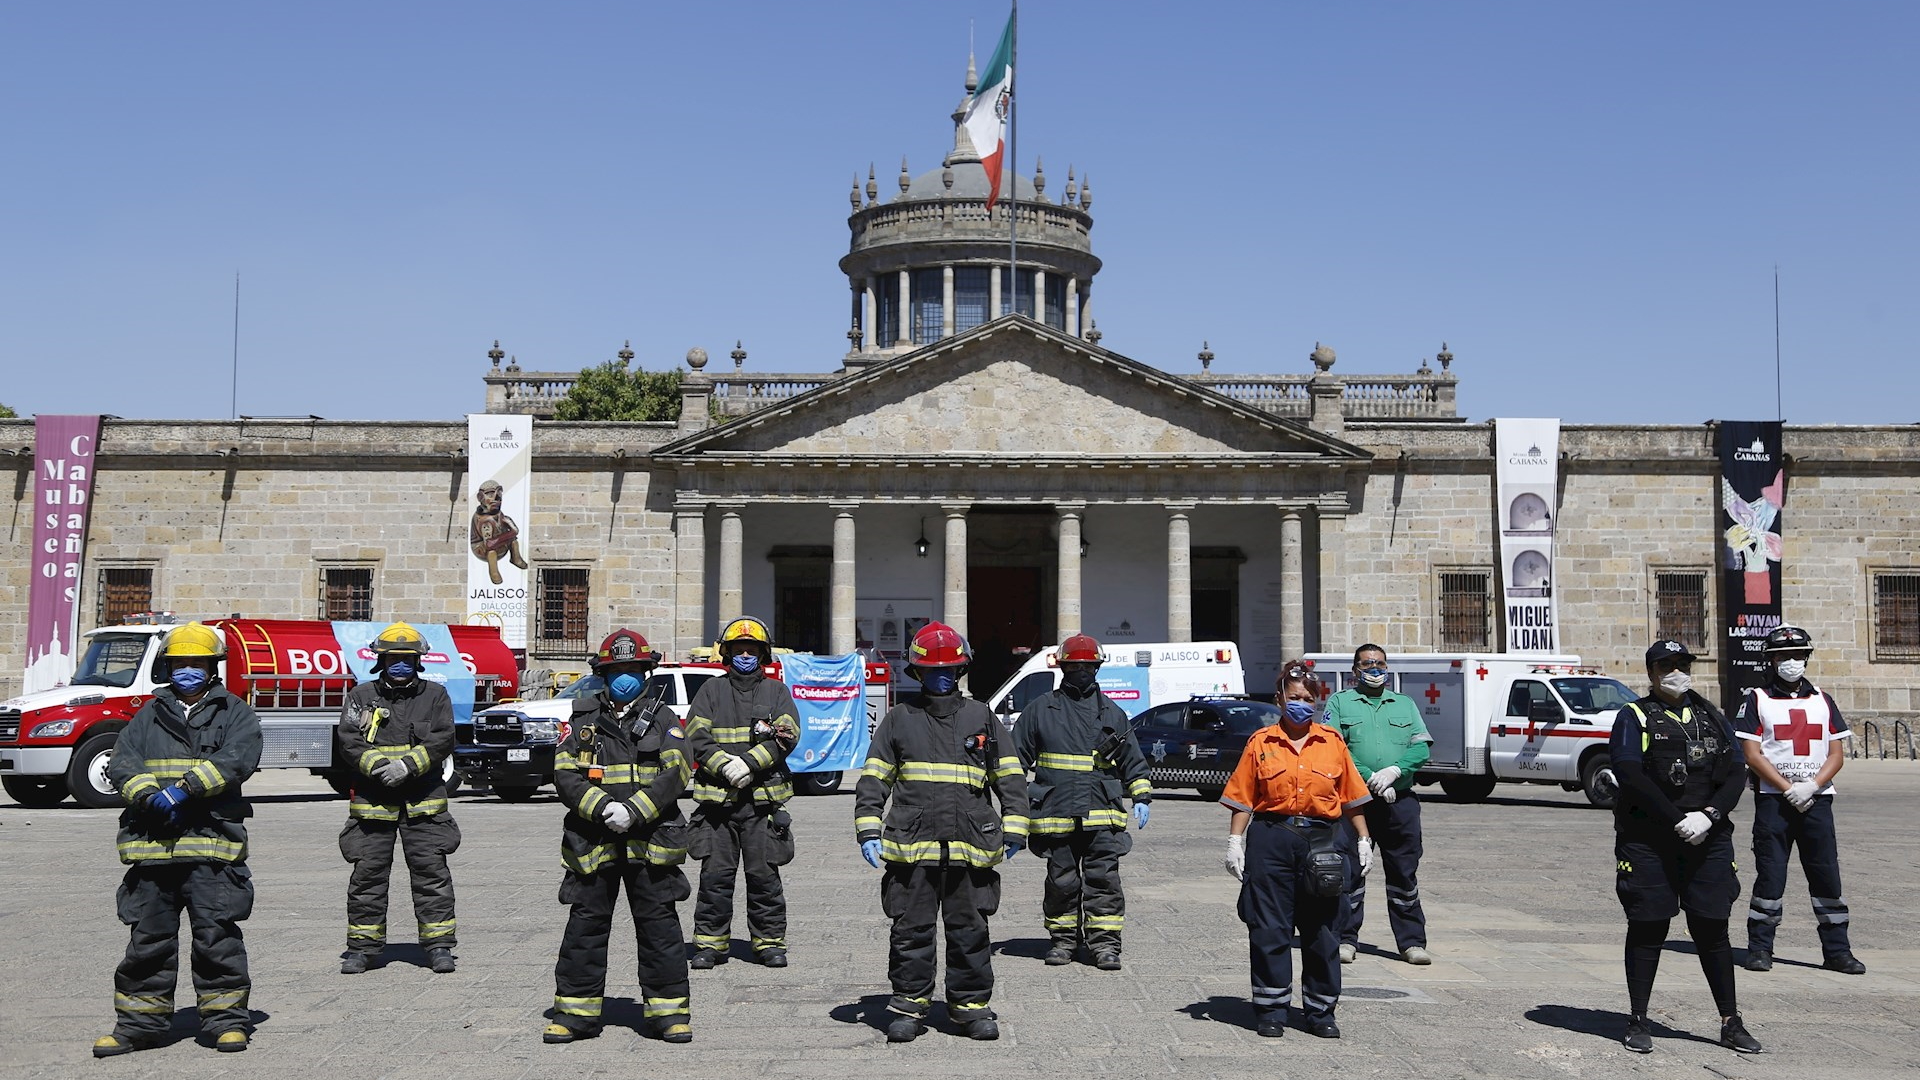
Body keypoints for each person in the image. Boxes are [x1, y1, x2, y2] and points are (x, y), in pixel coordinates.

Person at [855, 622, 1030, 1043]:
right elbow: (874, 777)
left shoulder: (982, 717)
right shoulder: (899, 720)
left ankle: (971, 1009)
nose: (941, 676)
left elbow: (1009, 775)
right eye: (932, 670)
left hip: (971, 844)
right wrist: (867, 829)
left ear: (961, 669)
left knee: (970, 931)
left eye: (949, 669)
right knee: (910, 931)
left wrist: (1015, 828)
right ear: (916, 672)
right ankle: (907, 1007)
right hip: (911, 847)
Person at [95, 622, 263, 1057]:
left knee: (217, 937)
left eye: (197, 663)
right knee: (147, 941)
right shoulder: (148, 714)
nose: (188, 670)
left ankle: (226, 1021)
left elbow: (237, 759)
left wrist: (184, 789)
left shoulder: (236, 713)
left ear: (212, 667)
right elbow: (122, 763)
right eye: (180, 663)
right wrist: (148, 796)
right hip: (153, 847)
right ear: (168, 667)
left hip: (211, 846)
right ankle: (139, 1025)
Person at [543, 629, 697, 1044]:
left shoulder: (666, 720)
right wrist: (601, 808)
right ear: (602, 674)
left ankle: (669, 1014)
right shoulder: (581, 721)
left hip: (651, 841)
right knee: (585, 928)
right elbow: (563, 775)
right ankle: (575, 1014)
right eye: (616, 670)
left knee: (660, 929)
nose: (624, 676)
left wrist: (634, 810)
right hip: (594, 841)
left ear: (647, 672)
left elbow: (677, 772)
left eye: (633, 669)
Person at [1610, 639, 1762, 1055]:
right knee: (1649, 924)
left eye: (1681, 664)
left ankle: (1730, 1021)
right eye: (1666, 665)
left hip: (1707, 835)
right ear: (1651, 672)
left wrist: (1710, 815)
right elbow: (1629, 772)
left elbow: (1736, 769)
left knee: (1712, 926)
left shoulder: (1710, 715)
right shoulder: (1634, 716)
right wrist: (1676, 819)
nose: (1675, 671)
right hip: (1649, 839)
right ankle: (1638, 1018)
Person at [1221, 661, 1373, 1039]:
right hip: (1271, 838)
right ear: (1280, 699)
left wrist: (1364, 840)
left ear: (1317, 702)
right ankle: (1271, 1009)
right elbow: (1243, 798)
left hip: (1322, 839)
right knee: (1270, 928)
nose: (1301, 704)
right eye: (1294, 698)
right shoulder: (1261, 742)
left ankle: (1321, 1010)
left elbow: (1351, 797)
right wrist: (1235, 842)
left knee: (1323, 928)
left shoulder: (1332, 743)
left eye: (1308, 698)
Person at [1012, 634, 1152, 970]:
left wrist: (1141, 795)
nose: (1082, 672)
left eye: (1088, 666)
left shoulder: (1112, 713)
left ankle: (1105, 946)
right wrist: (1012, 807)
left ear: (1098, 668)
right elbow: (1014, 762)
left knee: (1103, 881)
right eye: (1075, 666)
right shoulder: (1040, 710)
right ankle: (1062, 941)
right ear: (1063, 667)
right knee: (1062, 882)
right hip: (1055, 813)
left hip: (1101, 814)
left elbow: (1133, 760)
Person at [1735, 626, 1865, 975]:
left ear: (1806, 658)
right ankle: (1760, 949)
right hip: (1774, 802)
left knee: (1826, 876)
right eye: (1783, 656)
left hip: (1817, 801)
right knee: (1770, 877)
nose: (1791, 662)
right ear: (1771, 659)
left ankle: (1837, 951)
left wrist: (1812, 785)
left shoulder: (1823, 699)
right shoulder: (1757, 699)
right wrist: (1786, 787)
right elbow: (1751, 752)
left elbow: (1836, 752)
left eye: (1798, 655)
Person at [336, 622, 462, 974]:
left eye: (408, 659)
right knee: (367, 878)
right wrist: (378, 767)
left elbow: (443, 738)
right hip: (373, 806)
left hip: (424, 807)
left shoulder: (435, 696)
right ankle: (362, 948)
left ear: (418, 661)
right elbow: (349, 740)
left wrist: (407, 766)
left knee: (432, 877)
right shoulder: (361, 697)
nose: (401, 665)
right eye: (394, 658)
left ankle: (439, 947)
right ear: (381, 660)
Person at [683, 616, 801, 968]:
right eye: (739, 650)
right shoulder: (711, 691)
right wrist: (724, 766)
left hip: (762, 805)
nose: (745, 655)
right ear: (727, 653)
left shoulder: (776, 692)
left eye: (752, 650)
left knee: (764, 877)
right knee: (715, 878)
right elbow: (695, 735)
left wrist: (749, 763)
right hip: (718, 806)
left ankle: (769, 943)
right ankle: (710, 944)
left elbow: (788, 733)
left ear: (762, 654)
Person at [1324, 644, 1433, 965]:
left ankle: (1411, 942)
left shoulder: (1404, 703)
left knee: (1403, 871)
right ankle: (1345, 938)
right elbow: (1335, 747)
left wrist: (1395, 771)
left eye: (1380, 663)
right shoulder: (1341, 702)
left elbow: (1421, 748)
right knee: (1350, 871)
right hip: (1355, 802)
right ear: (1355, 669)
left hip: (1399, 802)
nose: (1375, 669)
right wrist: (1371, 777)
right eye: (1368, 664)